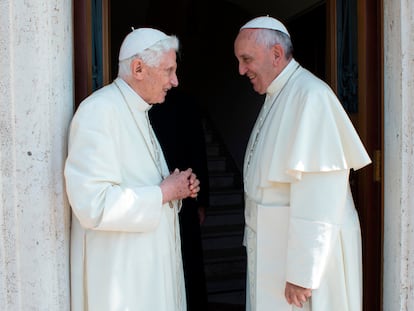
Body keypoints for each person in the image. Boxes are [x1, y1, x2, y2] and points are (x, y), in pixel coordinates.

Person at [233, 16, 371, 311]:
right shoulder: (279, 94)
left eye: (246, 60)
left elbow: (320, 194)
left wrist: (302, 273)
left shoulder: (311, 96)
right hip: (275, 247)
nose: (241, 70)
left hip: (304, 264)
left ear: (276, 54)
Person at [64, 27, 200, 311]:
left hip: (146, 274)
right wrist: (162, 193)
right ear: (138, 68)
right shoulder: (99, 111)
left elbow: (143, 185)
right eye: (168, 70)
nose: (174, 81)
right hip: (123, 281)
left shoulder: (138, 111)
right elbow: (93, 204)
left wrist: (175, 188)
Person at [150, 87, 210, 311]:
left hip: (186, 197)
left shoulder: (186, 102)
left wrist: (201, 200)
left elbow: (197, 149)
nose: (173, 79)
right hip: (152, 200)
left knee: (189, 264)